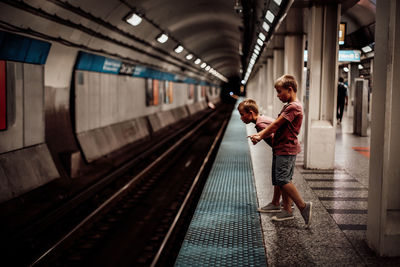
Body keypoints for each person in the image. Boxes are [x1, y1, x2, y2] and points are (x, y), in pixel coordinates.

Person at [248, 74, 312, 227]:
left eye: (279, 91)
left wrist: (260, 135)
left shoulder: (293, 107)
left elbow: (276, 124)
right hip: (282, 147)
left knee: (283, 179)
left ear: (289, 90)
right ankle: (286, 210)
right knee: (282, 179)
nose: (277, 95)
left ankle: (303, 206)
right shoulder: (290, 106)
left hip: (286, 148)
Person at [237, 99, 294, 213]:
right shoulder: (262, 119)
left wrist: (259, 138)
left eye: (242, 115)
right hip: (285, 149)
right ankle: (278, 202)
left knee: (281, 178)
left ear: (251, 113)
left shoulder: (260, 124)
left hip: (282, 150)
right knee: (279, 178)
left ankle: (285, 204)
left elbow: (275, 141)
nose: (241, 118)